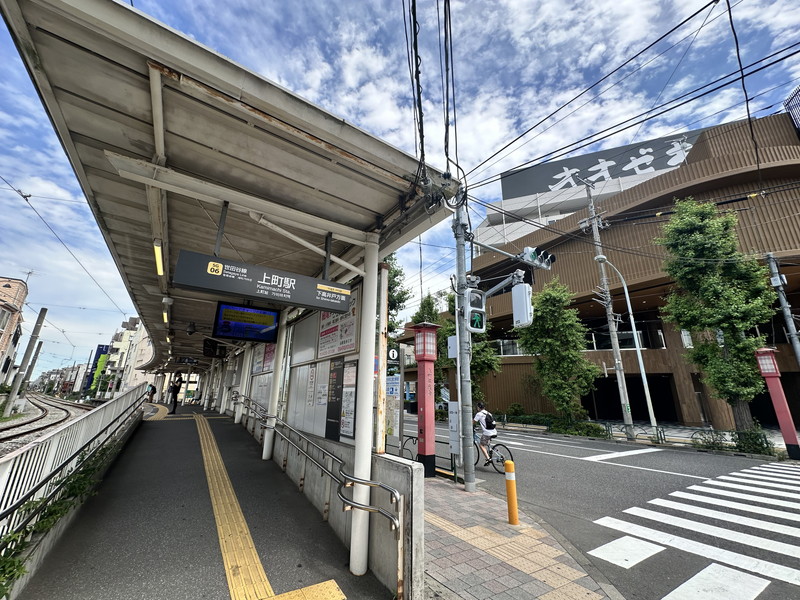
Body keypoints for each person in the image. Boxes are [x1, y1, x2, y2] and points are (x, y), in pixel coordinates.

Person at [473, 402, 497, 466]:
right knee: (487, 443)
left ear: (478, 407)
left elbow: (473, 422)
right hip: (494, 431)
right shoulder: (489, 413)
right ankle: (490, 450)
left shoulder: (479, 414)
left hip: (487, 433)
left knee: (481, 445)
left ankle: (488, 459)